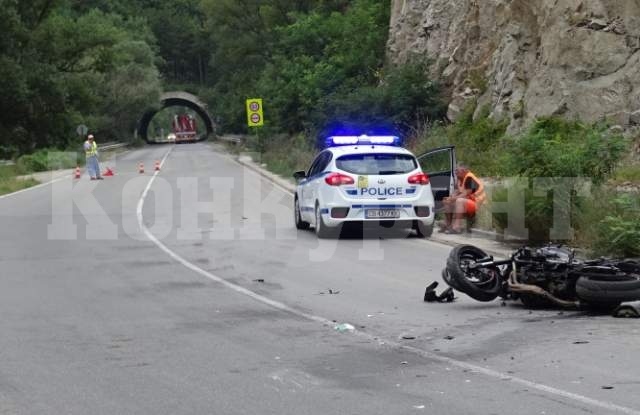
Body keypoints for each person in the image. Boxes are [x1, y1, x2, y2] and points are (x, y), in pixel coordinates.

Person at [440, 165, 485, 234]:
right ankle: (448, 225)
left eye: (457, 170)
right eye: (455, 170)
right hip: (467, 202)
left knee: (459, 200)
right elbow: (456, 191)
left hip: (476, 203)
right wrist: (450, 198)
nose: (455, 172)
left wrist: (453, 199)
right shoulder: (459, 179)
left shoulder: (469, 177)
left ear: (464, 171)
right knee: (446, 201)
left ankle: (457, 227)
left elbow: (466, 193)